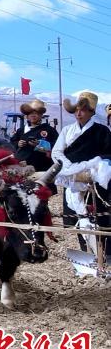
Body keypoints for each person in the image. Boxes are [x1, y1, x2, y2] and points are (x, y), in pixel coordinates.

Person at [52, 91, 111, 255]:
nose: (79, 113)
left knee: (99, 217)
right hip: (71, 179)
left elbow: (108, 154)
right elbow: (57, 152)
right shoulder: (67, 130)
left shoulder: (102, 131)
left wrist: (91, 166)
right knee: (79, 217)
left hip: (95, 181)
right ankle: (86, 253)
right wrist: (69, 168)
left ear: (91, 112)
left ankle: (106, 254)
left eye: (83, 110)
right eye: (76, 110)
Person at [10, 99, 59, 171]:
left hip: (42, 167)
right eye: (30, 113)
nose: (33, 115)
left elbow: (58, 146)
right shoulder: (20, 130)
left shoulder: (49, 130)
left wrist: (40, 144)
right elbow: (12, 143)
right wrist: (18, 143)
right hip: (21, 166)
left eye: (36, 113)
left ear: (41, 115)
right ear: (27, 116)